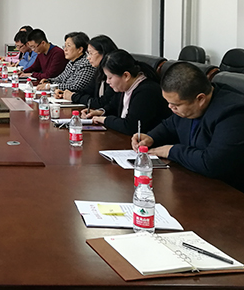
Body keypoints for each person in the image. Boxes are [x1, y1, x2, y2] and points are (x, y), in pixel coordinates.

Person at [132, 62, 244, 192]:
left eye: (175, 105)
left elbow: (211, 164)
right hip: (195, 182)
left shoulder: (233, 113)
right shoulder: (189, 104)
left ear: (200, 99)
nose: (170, 107)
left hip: (230, 192)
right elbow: (170, 125)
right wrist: (151, 137)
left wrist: (171, 151)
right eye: (168, 103)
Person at [83, 49, 171, 135]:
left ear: (126, 75)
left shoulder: (146, 92)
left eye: (110, 77)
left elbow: (131, 127)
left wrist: (104, 120)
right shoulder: (125, 87)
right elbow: (113, 106)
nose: (107, 81)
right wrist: (100, 112)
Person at [58, 35, 119, 108]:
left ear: (103, 54)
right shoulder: (98, 72)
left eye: (91, 53)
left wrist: (73, 96)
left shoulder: (115, 75)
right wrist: (66, 93)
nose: (88, 58)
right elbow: (86, 91)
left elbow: (101, 103)